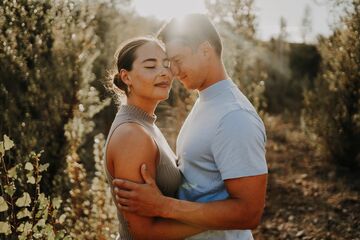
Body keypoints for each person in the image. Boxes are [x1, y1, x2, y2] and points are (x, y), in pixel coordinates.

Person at [113, 14, 268, 240]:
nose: (172, 71)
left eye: (177, 59)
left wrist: (163, 206)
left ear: (205, 50)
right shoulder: (207, 101)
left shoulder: (234, 117)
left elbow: (249, 213)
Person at [104, 36, 206, 239]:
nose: (164, 72)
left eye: (166, 64)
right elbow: (144, 233)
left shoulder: (145, 124)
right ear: (126, 77)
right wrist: (217, 220)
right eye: (150, 66)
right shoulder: (132, 135)